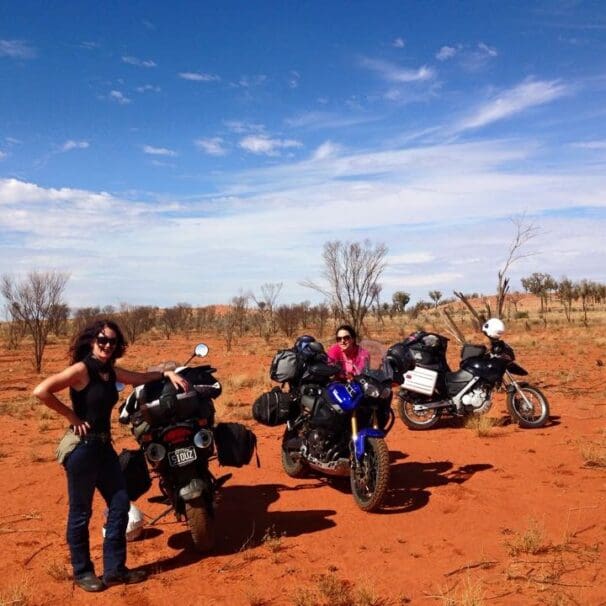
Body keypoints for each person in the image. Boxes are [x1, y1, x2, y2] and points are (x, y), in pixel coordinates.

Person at [33, 319, 189, 592]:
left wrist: (166, 375)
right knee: (80, 513)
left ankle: (115, 570)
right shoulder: (82, 370)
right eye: (102, 340)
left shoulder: (110, 372)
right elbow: (41, 391)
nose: (107, 345)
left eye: (112, 342)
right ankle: (83, 573)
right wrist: (71, 415)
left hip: (104, 448)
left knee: (119, 505)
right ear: (93, 341)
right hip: (82, 449)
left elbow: (139, 378)